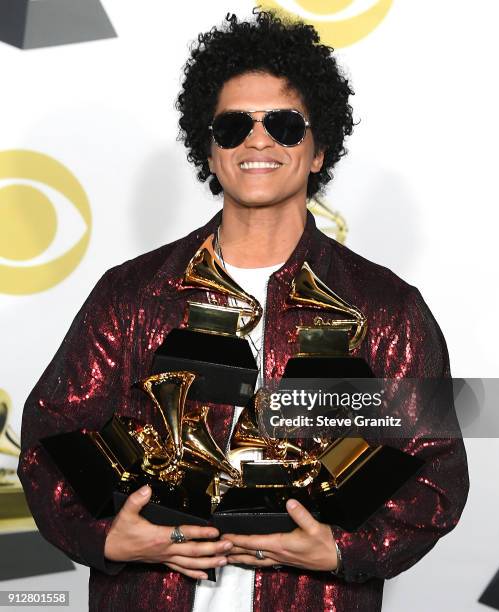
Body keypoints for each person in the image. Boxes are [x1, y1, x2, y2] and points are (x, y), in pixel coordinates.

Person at [18, 9, 469, 612]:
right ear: (210, 151)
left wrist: (343, 550)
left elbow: (434, 471)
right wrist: (106, 537)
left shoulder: (388, 310)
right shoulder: (130, 295)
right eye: (233, 127)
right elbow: (50, 437)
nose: (258, 140)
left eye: (283, 124)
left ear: (317, 152)